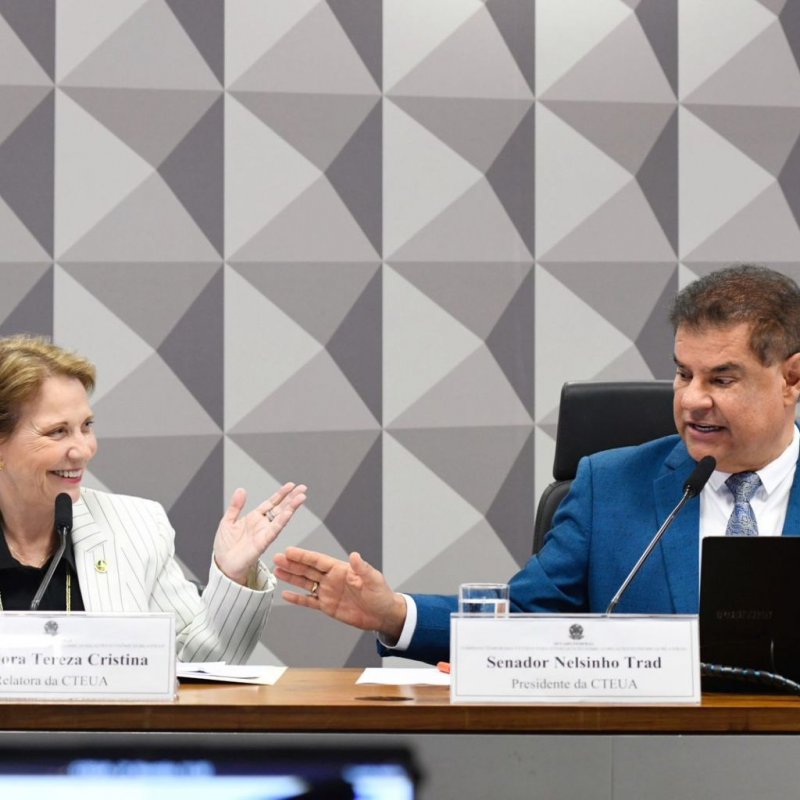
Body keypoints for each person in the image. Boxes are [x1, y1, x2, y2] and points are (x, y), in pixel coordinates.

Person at [273, 264, 800, 665]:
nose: (691, 400)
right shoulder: (611, 487)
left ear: (791, 379)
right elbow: (525, 620)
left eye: (721, 380)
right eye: (684, 374)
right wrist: (394, 613)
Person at [0, 334, 307, 663]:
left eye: (86, 426)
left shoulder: (137, 527)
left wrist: (232, 575)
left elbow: (195, 662)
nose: (83, 450)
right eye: (57, 431)